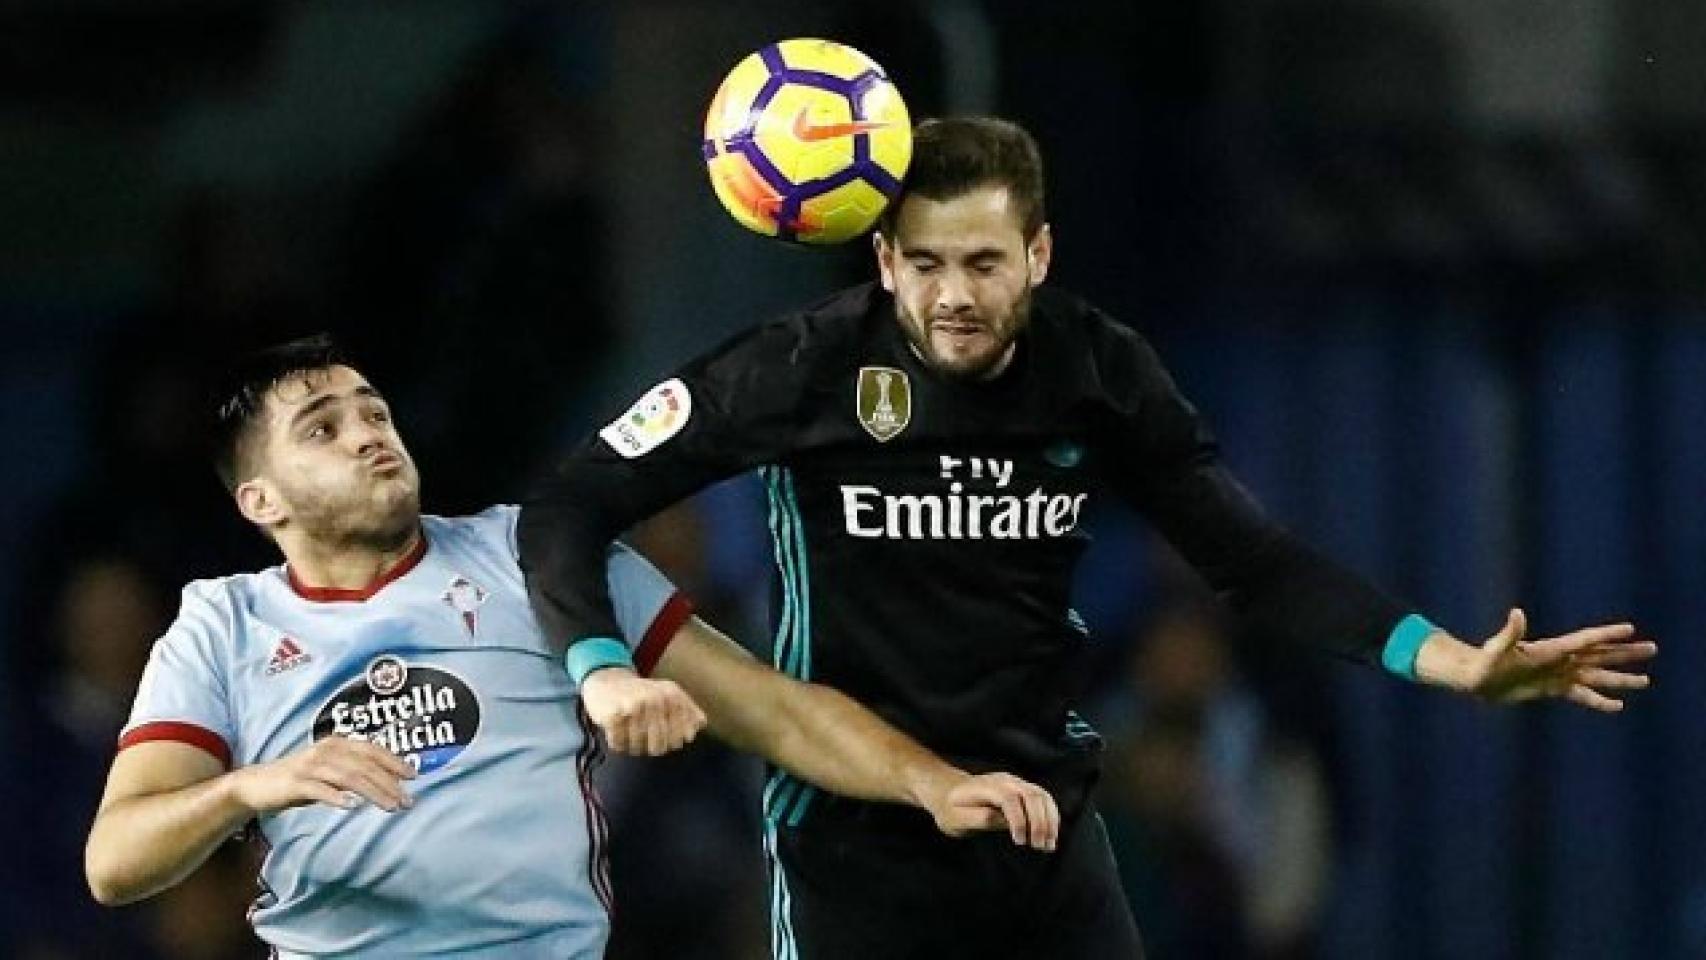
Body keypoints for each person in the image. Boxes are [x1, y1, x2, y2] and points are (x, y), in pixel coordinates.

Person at [516, 116, 1657, 959]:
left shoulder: (1098, 373)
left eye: (981, 261)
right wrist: (599, 667)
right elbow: (568, 508)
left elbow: (1249, 561)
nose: (950, 295)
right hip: (853, 848)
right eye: (922, 265)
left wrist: (1446, 657)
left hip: (1045, 840)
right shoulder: (796, 370)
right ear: (881, 262)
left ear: (1039, 256)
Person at [84, 335, 1059, 959]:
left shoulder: (538, 554)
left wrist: (932, 781)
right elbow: (116, 862)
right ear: (262, 501)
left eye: (375, 411)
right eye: (324, 428)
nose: (370, 434)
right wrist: (250, 787)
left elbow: (774, 708)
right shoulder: (223, 622)